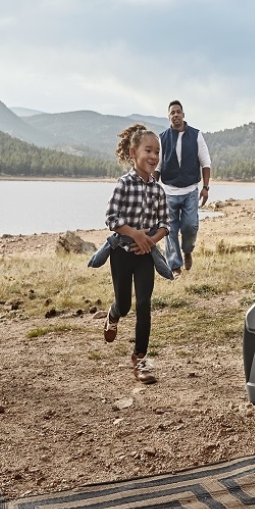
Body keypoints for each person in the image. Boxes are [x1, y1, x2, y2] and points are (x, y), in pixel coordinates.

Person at [103, 123, 170, 384]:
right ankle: (113, 315)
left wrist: (150, 240)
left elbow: (165, 223)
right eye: (148, 151)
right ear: (134, 153)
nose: (154, 156)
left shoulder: (158, 190)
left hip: (146, 255)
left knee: (144, 305)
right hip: (121, 253)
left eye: (157, 152)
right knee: (125, 304)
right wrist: (135, 234)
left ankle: (140, 359)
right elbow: (111, 218)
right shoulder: (123, 185)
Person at [156, 100, 211, 275]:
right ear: (169, 116)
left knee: (190, 226)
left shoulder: (196, 135)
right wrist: (152, 189)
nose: (175, 115)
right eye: (172, 112)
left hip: (190, 191)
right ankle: (175, 266)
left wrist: (206, 187)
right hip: (169, 191)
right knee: (169, 229)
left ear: (183, 114)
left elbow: (206, 163)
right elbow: (157, 167)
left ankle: (187, 250)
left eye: (178, 112)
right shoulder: (162, 138)